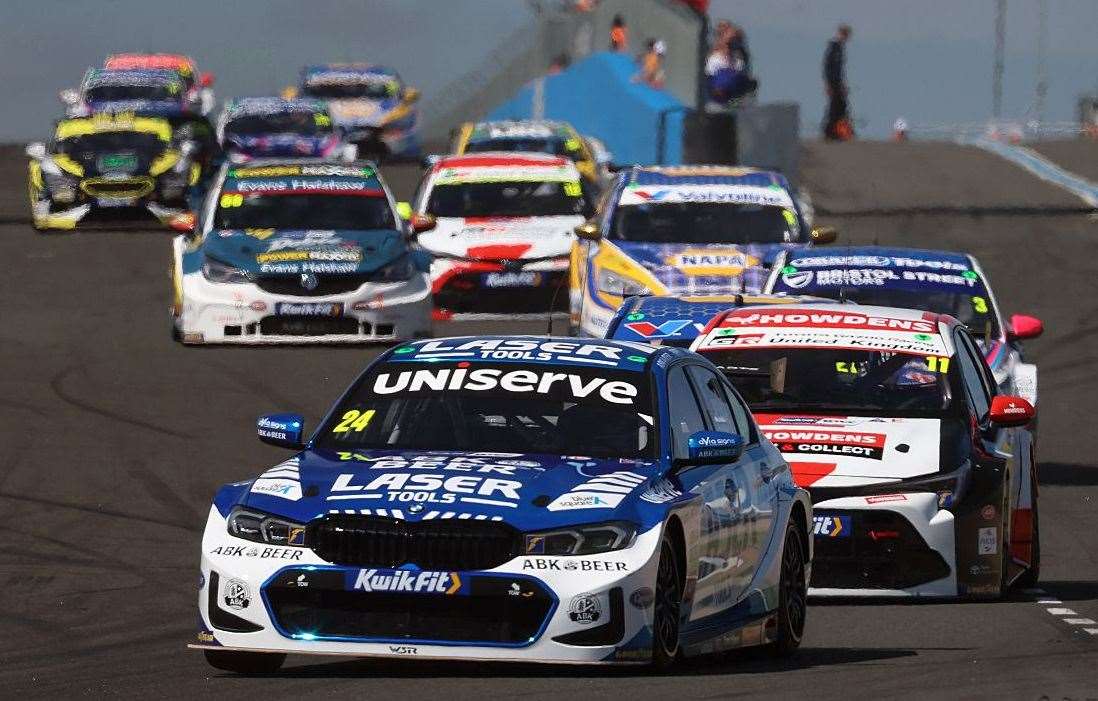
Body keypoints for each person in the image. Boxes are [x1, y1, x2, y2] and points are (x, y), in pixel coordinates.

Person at [822, 24, 854, 140]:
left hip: (838, 82)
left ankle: (839, 131)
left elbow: (840, 70)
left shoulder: (841, 48)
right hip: (832, 82)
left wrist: (843, 84)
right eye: (846, 35)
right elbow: (827, 67)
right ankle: (829, 132)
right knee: (834, 107)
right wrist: (828, 84)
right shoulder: (833, 47)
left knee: (842, 106)